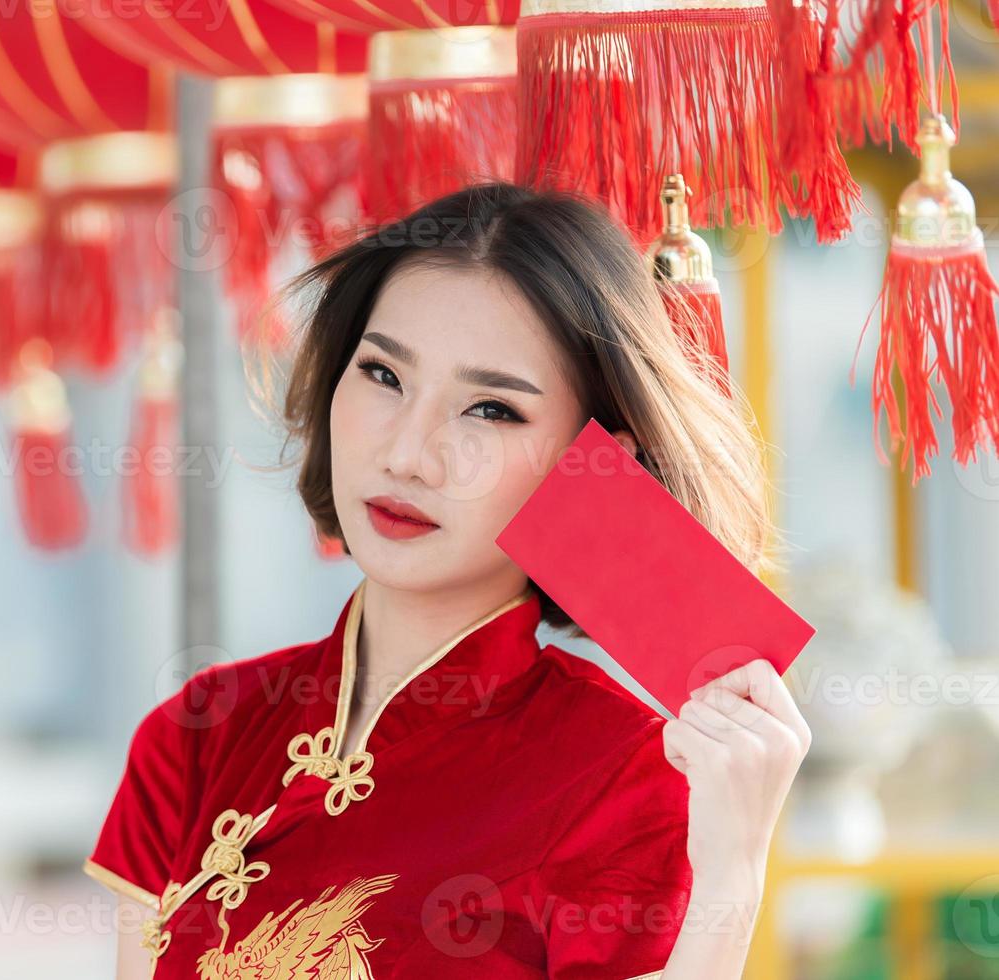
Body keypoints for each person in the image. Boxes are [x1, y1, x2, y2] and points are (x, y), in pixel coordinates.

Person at [83, 182, 812, 979]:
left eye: (491, 410)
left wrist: (733, 874)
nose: (408, 454)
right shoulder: (197, 736)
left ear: (597, 462)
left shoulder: (624, 781)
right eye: (384, 376)